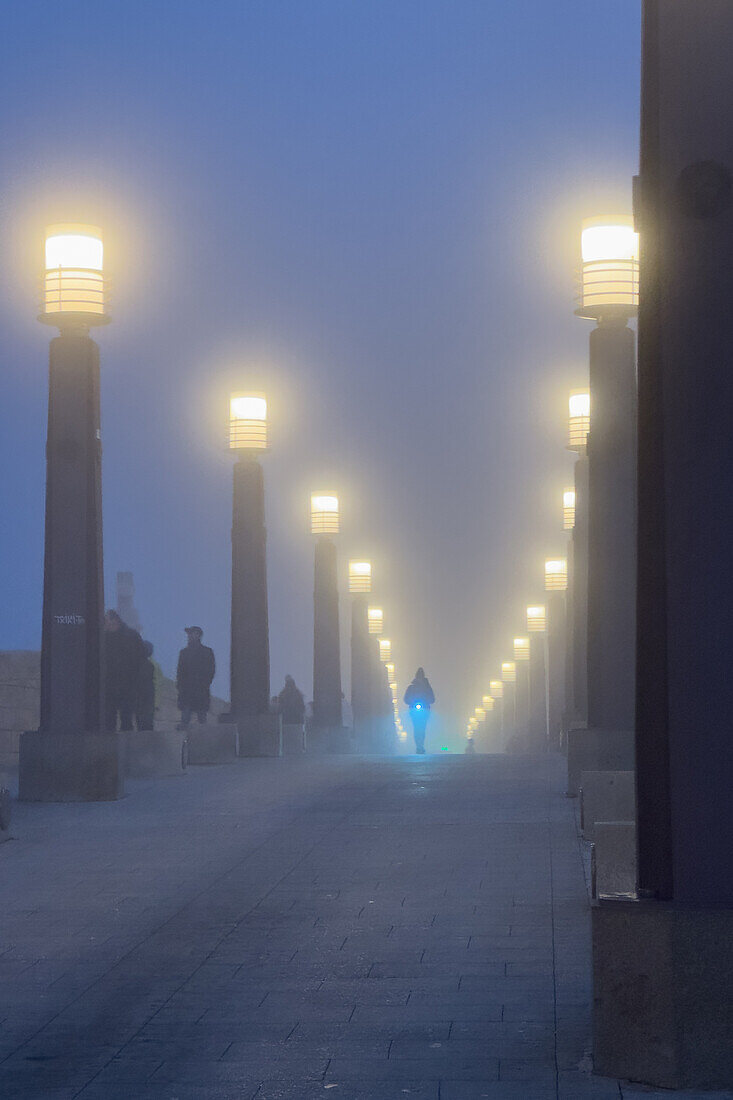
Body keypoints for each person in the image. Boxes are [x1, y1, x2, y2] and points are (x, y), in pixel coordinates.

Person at [104, 609, 146, 732]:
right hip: (109, 685)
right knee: (108, 720)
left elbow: (141, 660)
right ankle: (109, 748)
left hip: (128, 685)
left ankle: (126, 748)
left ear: (114, 620)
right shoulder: (103, 638)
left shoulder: (132, 636)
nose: (104, 623)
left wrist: (136, 681)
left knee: (126, 719)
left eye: (106, 620)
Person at [176, 626, 216, 729]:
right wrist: (180, 687)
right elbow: (180, 673)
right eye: (189, 634)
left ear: (198, 635)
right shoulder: (184, 653)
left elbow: (211, 671)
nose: (189, 636)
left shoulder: (207, 652)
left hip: (200, 691)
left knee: (201, 719)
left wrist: (204, 684)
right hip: (187, 692)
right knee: (185, 720)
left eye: (191, 633)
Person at [403, 668, 435, 754]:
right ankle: (418, 746)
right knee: (417, 728)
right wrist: (411, 701)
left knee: (421, 728)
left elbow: (432, 699)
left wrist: (427, 701)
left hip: (424, 710)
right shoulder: (411, 687)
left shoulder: (427, 688)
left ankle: (421, 745)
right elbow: (406, 699)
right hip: (415, 710)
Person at [135, 641, 158, 732]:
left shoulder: (148, 665)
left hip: (143, 695)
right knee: (146, 720)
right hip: (145, 694)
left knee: (142, 720)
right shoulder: (149, 665)